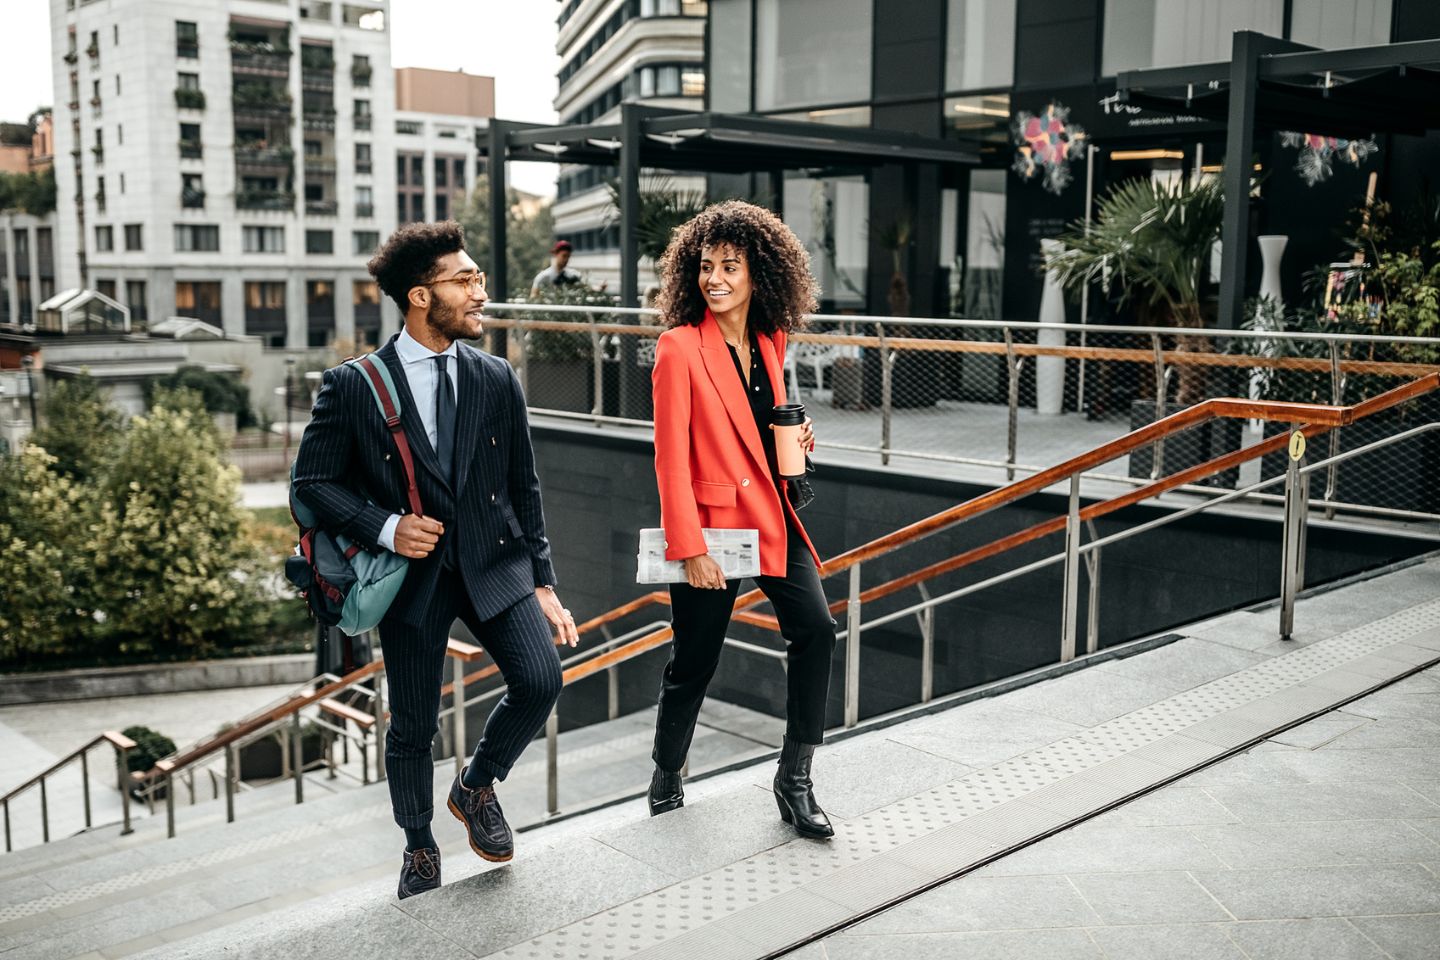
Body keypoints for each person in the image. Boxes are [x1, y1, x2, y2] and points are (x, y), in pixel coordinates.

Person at [292, 221, 580, 899]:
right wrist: (387, 526)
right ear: (421, 296)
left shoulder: (496, 376)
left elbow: (523, 487)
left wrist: (542, 582)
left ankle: (477, 785)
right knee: (414, 726)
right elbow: (311, 484)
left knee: (541, 679)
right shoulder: (354, 385)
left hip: (495, 565)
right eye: (465, 280)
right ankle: (419, 844)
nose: (481, 291)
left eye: (479, 277)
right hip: (413, 583)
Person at [646, 200, 835, 838]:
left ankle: (796, 776)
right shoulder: (679, 347)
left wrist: (799, 438)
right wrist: (689, 546)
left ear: (761, 273)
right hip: (714, 529)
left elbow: (765, 432)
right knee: (694, 661)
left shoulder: (770, 338)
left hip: (774, 517)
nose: (715, 278)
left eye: (731, 265)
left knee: (816, 630)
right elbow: (670, 458)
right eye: (705, 266)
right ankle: (667, 771)